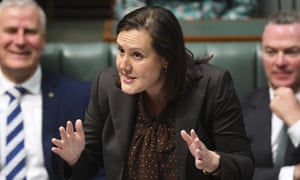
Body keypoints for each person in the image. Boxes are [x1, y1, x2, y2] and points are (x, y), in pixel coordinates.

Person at [52, 6, 254, 180]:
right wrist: (75, 158)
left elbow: (244, 166)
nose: (123, 66)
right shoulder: (106, 85)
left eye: (137, 55)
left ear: (166, 59)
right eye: (121, 50)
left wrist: (214, 162)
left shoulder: (213, 86)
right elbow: (90, 164)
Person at [0, 0, 91, 179]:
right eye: (11, 31)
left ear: (43, 40)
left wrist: (76, 162)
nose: (20, 41)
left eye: (30, 32)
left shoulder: (81, 97)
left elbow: (101, 171)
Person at [241, 11, 300, 180]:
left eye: (292, 52)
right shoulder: (241, 106)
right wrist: (292, 174)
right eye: (271, 52)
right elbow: (230, 172)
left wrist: (297, 122)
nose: (280, 62)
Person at [113, 0, 257, 20]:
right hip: (157, 37)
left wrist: (218, 26)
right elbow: (129, 9)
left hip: (217, 39)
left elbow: (245, 5)